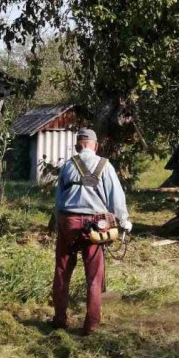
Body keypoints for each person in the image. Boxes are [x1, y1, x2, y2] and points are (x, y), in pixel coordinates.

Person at [52, 129, 132, 336]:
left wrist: (58, 223)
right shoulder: (105, 165)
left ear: (78, 146)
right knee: (94, 276)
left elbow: (58, 199)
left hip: (67, 222)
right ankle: (91, 325)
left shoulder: (68, 165)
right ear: (94, 146)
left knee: (62, 271)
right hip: (96, 225)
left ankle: (60, 319)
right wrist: (123, 221)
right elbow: (116, 197)